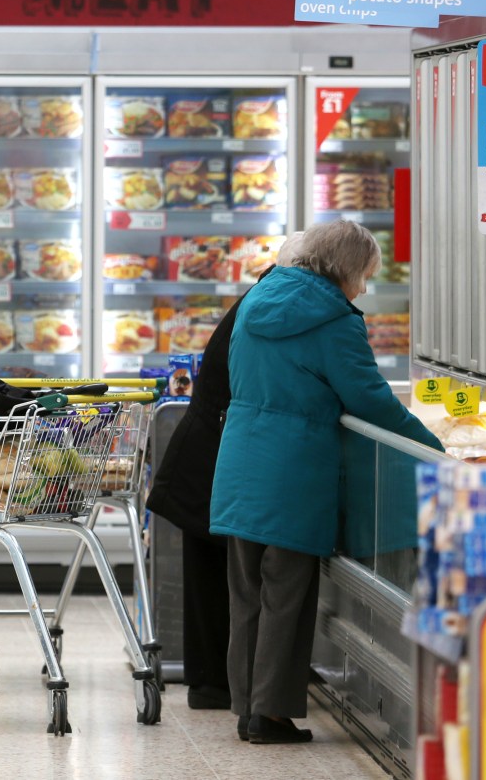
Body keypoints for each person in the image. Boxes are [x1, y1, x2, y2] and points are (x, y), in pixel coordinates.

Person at [208, 220, 442, 745]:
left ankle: (247, 707)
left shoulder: (258, 296)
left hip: (241, 457)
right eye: (365, 276)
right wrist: (430, 446)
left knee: (247, 593)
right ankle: (270, 715)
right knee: (287, 593)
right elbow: (369, 399)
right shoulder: (335, 318)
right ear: (347, 269)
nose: (364, 288)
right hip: (294, 468)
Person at [146, 234, 303, 713]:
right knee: (220, 578)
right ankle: (215, 684)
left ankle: (214, 682)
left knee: (214, 577)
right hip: (212, 457)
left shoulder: (259, 299)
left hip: (208, 452)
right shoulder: (274, 308)